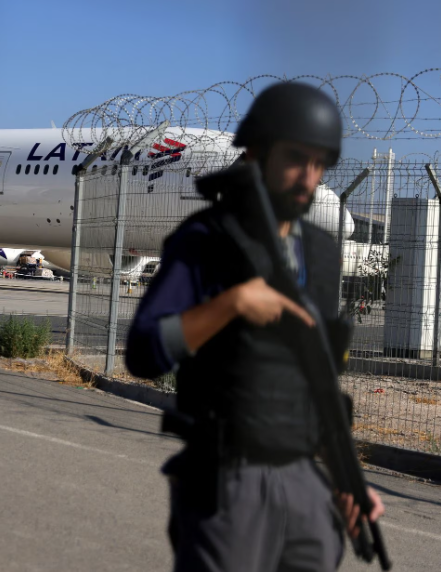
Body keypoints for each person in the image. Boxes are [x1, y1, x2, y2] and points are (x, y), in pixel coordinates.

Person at [126, 82, 385, 572]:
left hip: (305, 483)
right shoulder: (206, 240)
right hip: (229, 479)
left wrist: (347, 480)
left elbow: (317, 382)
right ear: (255, 155)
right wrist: (232, 304)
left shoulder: (322, 254)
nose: (308, 177)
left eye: (320, 164)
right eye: (295, 158)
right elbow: (143, 353)